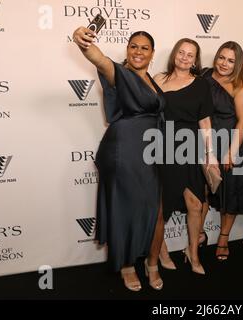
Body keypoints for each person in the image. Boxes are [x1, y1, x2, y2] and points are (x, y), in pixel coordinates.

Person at [72, 28, 165, 290]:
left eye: (144, 47)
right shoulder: (119, 73)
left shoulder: (151, 80)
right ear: (127, 50)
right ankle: (126, 266)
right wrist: (83, 41)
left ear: (152, 53)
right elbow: (99, 59)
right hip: (124, 150)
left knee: (155, 211)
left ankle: (152, 262)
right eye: (133, 46)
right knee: (124, 209)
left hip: (150, 152)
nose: (138, 51)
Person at [154, 38, 218, 275]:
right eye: (181, 52)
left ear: (195, 60)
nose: (184, 57)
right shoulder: (158, 79)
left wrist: (210, 154)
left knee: (195, 203)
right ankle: (160, 251)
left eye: (190, 55)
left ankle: (194, 253)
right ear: (174, 54)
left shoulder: (201, 84)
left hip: (189, 147)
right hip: (161, 146)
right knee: (162, 207)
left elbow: (205, 121)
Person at [201, 41, 243, 261]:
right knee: (202, 190)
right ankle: (197, 233)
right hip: (204, 143)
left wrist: (231, 152)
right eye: (222, 57)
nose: (224, 63)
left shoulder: (241, 85)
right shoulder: (204, 75)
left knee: (229, 194)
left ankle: (223, 238)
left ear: (237, 63)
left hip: (231, 144)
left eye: (231, 60)